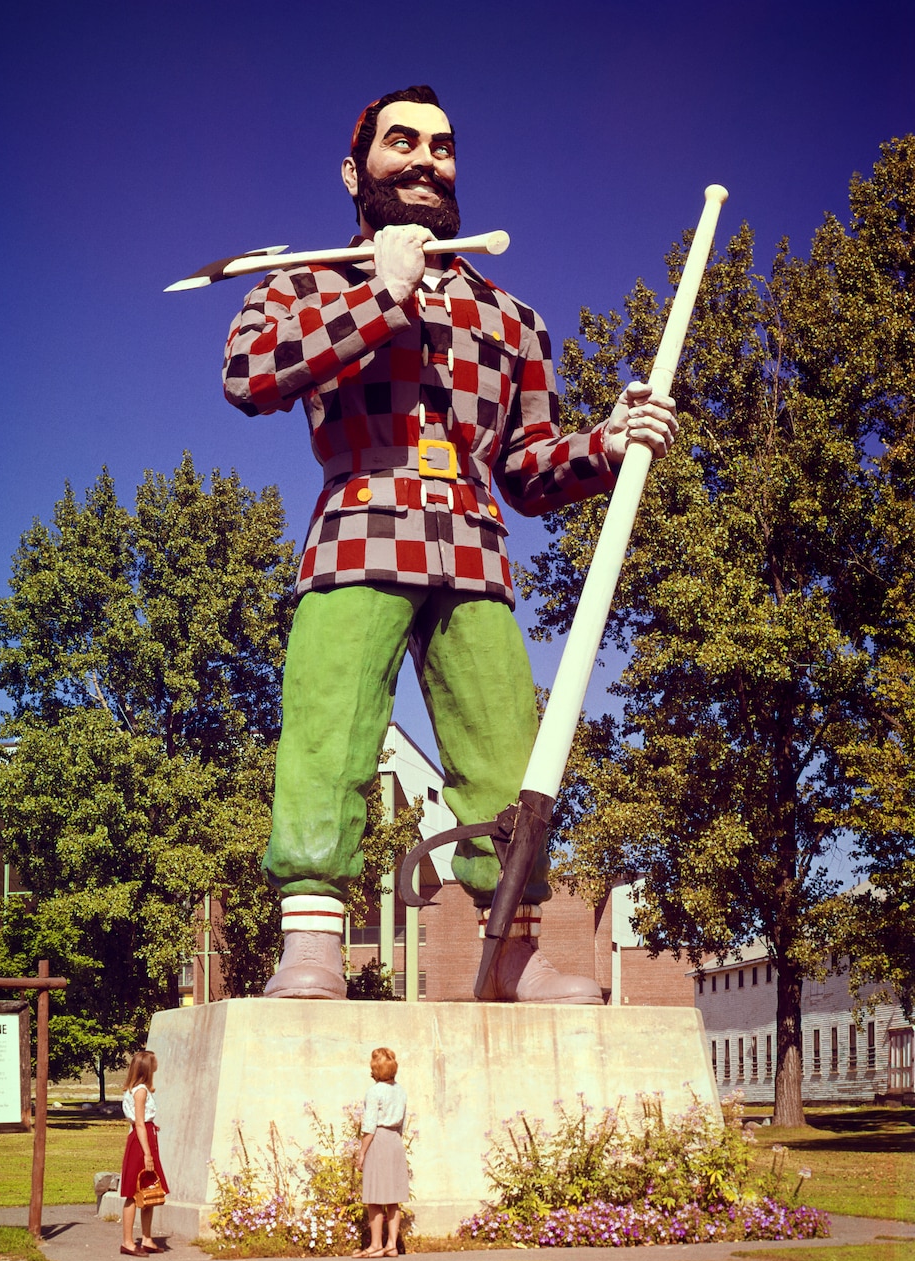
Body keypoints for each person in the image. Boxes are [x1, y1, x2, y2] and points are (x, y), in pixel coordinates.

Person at [223, 84, 678, 1004]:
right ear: (358, 170)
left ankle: (512, 951)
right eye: (403, 143)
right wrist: (382, 294)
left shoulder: (512, 317)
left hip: (474, 543)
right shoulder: (309, 282)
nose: (426, 161)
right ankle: (310, 942)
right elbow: (249, 373)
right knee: (327, 731)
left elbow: (528, 468)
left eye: (442, 146)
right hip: (356, 527)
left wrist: (609, 441)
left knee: (505, 747)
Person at [353, 1046, 409, 1257]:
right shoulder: (400, 1090)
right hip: (395, 1140)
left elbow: (369, 1126)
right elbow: (403, 1122)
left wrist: (362, 1153)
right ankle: (392, 1245)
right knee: (393, 1197)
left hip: (378, 1140)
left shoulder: (374, 1091)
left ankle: (376, 1244)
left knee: (374, 1196)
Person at [119, 1049, 169, 1257]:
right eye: (154, 1063)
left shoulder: (141, 1089)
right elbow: (140, 1123)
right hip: (142, 1141)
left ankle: (147, 1238)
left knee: (148, 1188)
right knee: (133, 1190)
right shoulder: (140, 1091)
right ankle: (128, 1242)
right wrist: (147, 1153)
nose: (157, 1065)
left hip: (147, 1138)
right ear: (148, 1068)